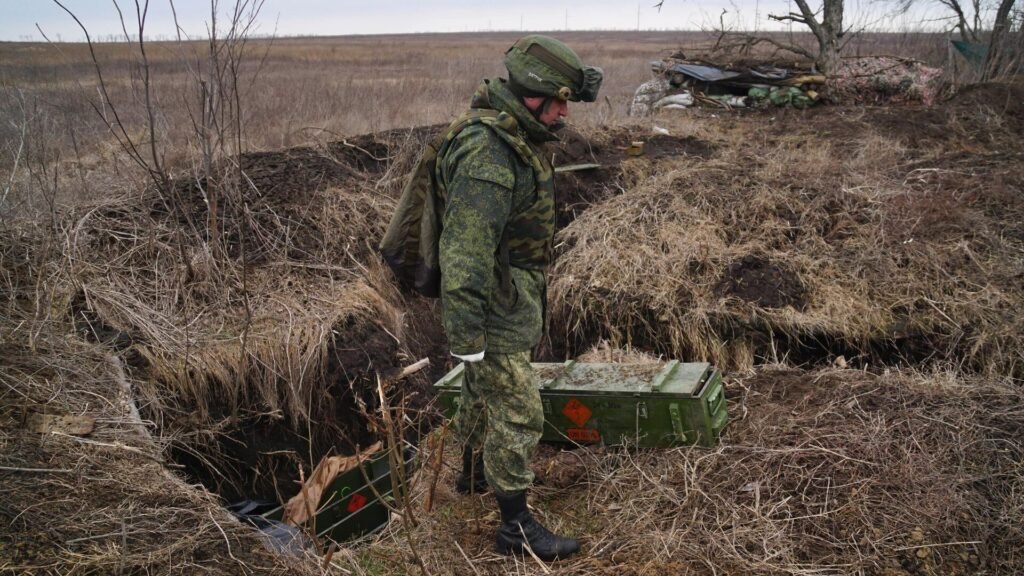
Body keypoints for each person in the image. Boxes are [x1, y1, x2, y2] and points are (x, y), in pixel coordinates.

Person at [438, 35, 602, 561]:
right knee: (520, 410)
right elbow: (464, 254)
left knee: (482, 393)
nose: (563, 111)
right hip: (492, 304)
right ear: (529, 92)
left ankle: (469, 476)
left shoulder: (514, 135)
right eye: (557, 99)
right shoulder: (489, 153)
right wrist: (466, 337)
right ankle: (514, 529)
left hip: (509, 297)